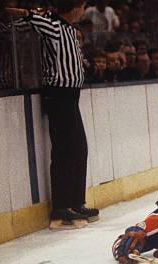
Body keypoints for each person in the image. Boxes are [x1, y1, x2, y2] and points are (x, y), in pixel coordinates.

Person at [6, 1, 99, 228]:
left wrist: (83, 65)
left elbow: (71, 58)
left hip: (70, 97)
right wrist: (23, 11)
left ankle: (76, 201)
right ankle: (61, 206)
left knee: (78, 149)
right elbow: (33, 19)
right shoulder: (54, 25)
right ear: (75, 8)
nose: (83, 11)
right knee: (64, 150)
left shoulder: (70, 30)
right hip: (58, 96)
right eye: (82, 6)